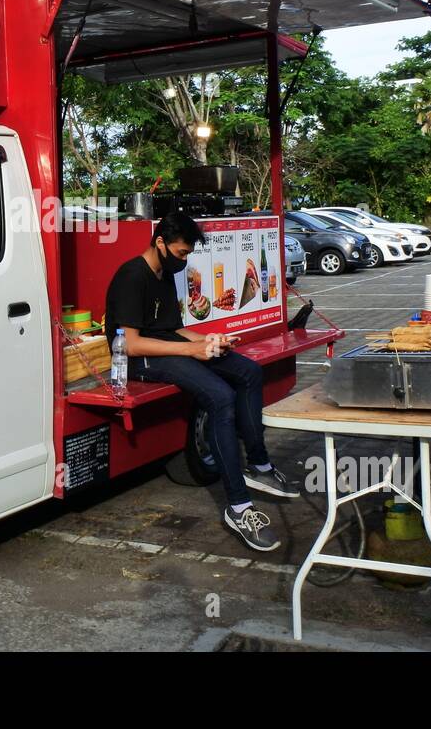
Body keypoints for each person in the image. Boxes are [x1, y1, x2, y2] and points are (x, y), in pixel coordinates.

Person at [104, 211, 298, 553]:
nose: (184, 260)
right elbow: (131, 343)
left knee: (248, 371)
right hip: (138, 361)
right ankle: (238, 507)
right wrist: (192, 350)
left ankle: (260, 464)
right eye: (181, 253)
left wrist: (209, 339)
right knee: (220, 396)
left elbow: (171, 328)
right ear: (160, 242)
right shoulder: (131, 276)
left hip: (168, 348)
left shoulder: (164, 272)